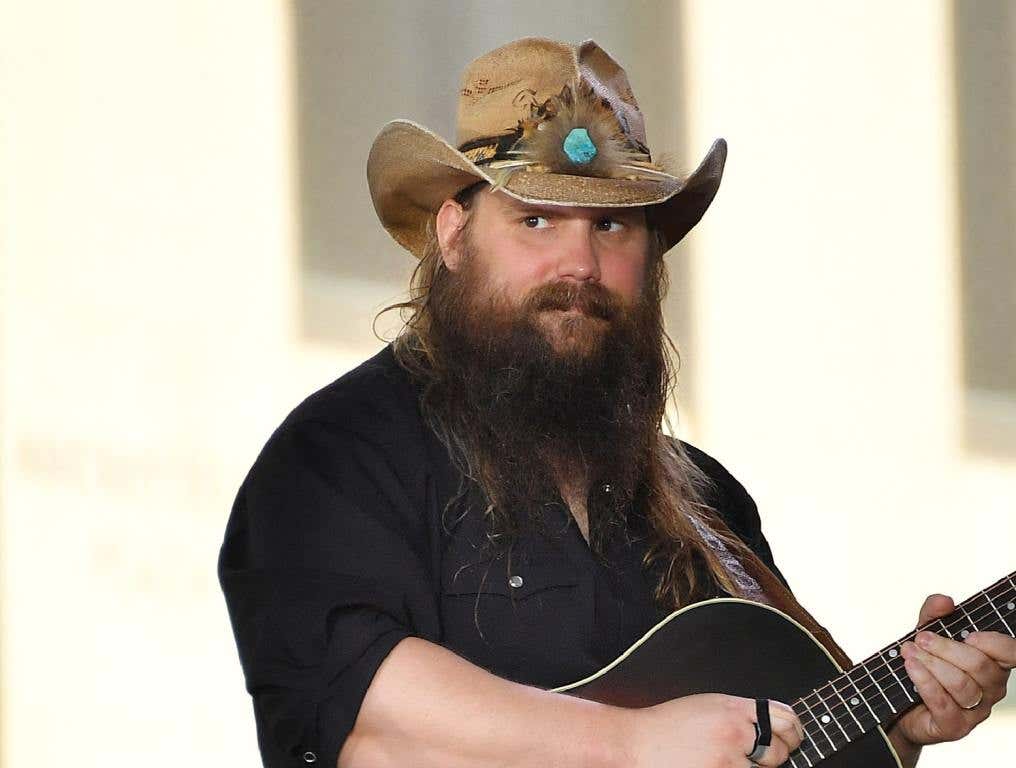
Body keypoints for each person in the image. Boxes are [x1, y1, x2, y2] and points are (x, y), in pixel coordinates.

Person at [218, 37, 1015, 768]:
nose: (580, 263)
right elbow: (367, 719)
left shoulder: (710, 503)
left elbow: (773, 740)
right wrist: (629, 744)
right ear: (454, 236)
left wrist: (898, 727)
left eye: (611, 225)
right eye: (535, 219)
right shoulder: (339, 454)